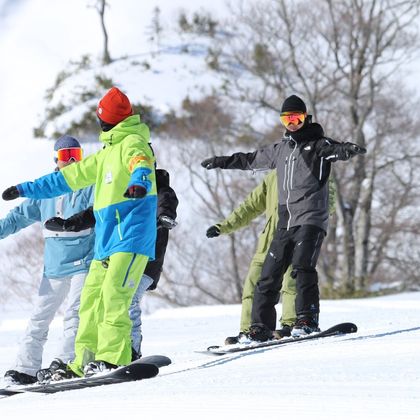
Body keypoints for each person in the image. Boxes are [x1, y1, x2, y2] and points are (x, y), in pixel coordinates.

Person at [2, 86, 157, 377]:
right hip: (106, 241)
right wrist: (25, 188)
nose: (71, 160)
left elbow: (142, 163)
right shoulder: (105, 154)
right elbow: (65, 179)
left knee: (114, 297)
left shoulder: (133, 142)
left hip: (131, 235)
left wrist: (140, 182)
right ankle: (80, 361)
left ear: (106, 121)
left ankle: (113, 357)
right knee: (90, 301)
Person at [201, 94, 366, 340]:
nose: (292, 123)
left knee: (301, 267)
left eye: (297, 118)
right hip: (285, 222)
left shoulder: (317, 145)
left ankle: (307, 319)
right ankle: (260, 327)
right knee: (268, 276)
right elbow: (249, 160)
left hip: (310, 220)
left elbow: (335, 149)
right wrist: (221, 162)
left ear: (305, 118)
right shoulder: (280, 150)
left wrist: (347, 150)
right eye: (287, 118)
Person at [40, 168, 178, 367]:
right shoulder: (123, 192)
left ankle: (131, 349)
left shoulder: (157, 189)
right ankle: (95, 352)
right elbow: (95, 212)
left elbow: (166, 201)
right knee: (101, 302)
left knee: (128, 300)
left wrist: (164, 217)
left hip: (147, 261)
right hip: (119, 258)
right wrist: (68, 224)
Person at [0, 136, 94, 384]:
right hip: (54, 266)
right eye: (66, 156)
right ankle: (25, 368)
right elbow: (16, 218)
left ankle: (67, 362)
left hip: (85, 262)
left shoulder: (89, 184)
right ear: (56, 160)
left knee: (76, 314)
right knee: (39, 317)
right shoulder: (45, 191)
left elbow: (100, 213)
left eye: (76, 154)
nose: (72, 160)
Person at [206, 170, 336, 344]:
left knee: (292, 282)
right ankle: (251, 329)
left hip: (298, 236)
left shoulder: (316, 168)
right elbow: (251, 206)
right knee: (253, 285)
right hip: (269, 241)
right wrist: (223, 226)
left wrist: (312, 221)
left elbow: (330, 198)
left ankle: (289, 326)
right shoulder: (275, 175)